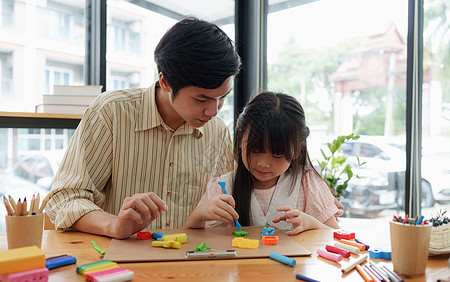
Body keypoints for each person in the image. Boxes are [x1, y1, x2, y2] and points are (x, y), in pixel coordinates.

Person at [45, 17, 242, 239]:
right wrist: (114, 225)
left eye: (222, 97)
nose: (214, 111)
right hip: (118, 260)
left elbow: (223, 206)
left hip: (190, 261)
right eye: (201, 99)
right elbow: (66, 199)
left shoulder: (217, 131)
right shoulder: (111, 113)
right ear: (166, 81)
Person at [183, 91, 342, 235]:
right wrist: (199, 215)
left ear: (296, 150)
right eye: (255, 150)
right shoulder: (222, 188)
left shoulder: (308, 184)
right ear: (240, 138)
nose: (264, 164)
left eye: (277, 154)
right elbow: (190, 242)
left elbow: (338, 238)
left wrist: (312, 223)